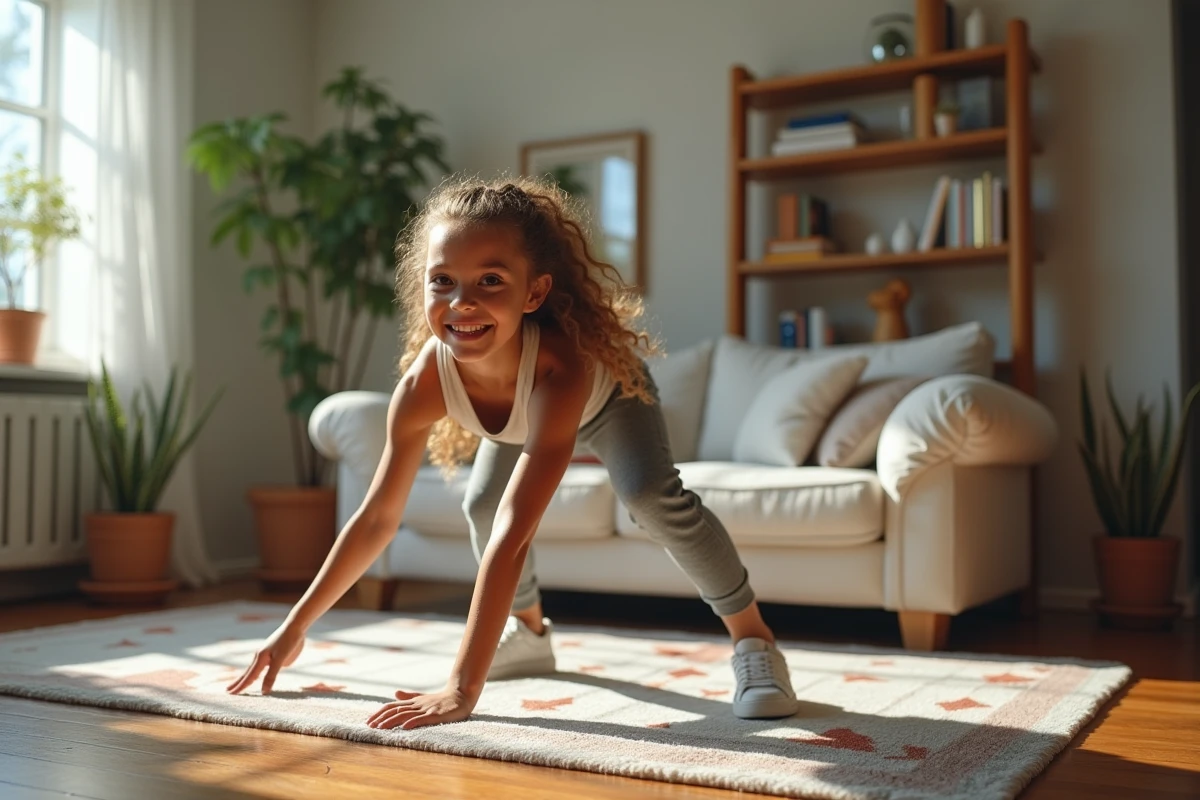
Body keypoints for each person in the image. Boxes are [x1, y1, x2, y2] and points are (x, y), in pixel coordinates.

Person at [226, 176, 799, 729]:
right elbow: (378, 517)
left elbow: (515, 531)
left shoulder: (559, 366)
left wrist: (461, 688)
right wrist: (293, 628)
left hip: (610, 400)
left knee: (649, 496)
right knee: (480, 505)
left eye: (490, 281)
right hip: (527, 419)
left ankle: (755, 641)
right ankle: (529, 633)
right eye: (443, 280)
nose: (462, 302)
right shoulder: (425, 383)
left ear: (534, 292)